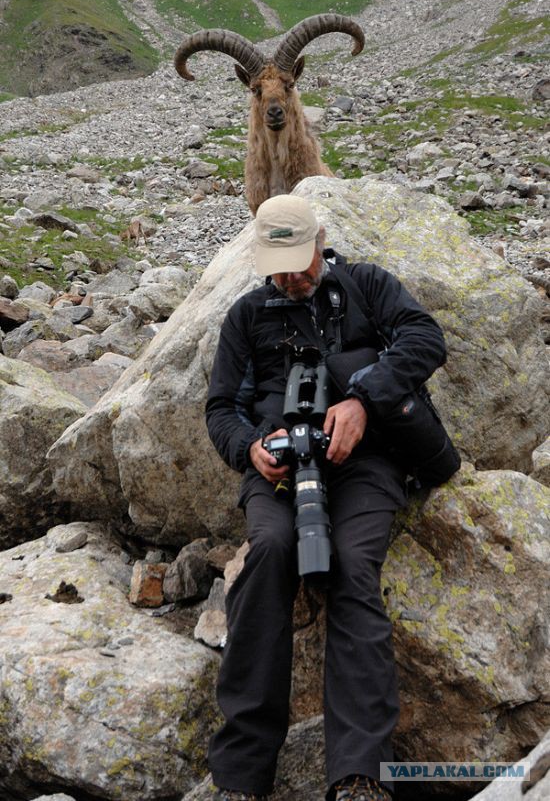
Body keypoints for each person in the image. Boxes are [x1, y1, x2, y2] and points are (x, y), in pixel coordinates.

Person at [205, 195, 447, 801]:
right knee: (268, 553)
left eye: (299, 260)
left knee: (353, 567)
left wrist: (364, 400)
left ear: (321, 241)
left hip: (366, 465)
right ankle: (240, 775)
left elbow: (424, 337)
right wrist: (248, 450)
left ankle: (359, 774)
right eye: (277, 266)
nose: (290, 277)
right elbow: (220, 408)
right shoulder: (245, 317)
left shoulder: (365, 285)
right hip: (279, 469)